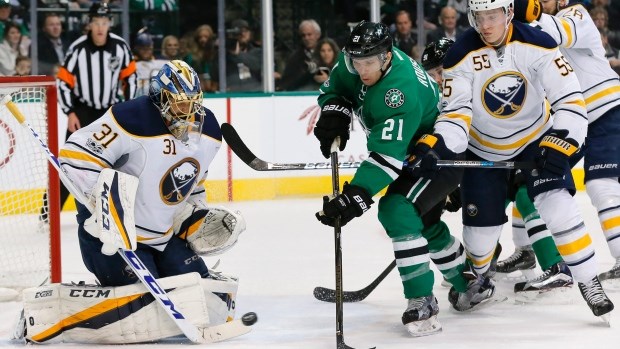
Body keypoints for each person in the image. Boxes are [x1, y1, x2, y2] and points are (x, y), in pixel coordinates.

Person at [18, 60, 246, 343]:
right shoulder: (132, 118)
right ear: (161, 99)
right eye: (179, 104)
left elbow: (194, 184)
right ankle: (59, 309)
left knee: (197, 287)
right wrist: (104, 209)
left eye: (192, 103)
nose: (187, 113)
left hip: (163, 236)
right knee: (139, 300)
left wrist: (196, 219)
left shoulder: (208, 132)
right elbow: (76, 157)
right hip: (113, 238)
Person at [419, 0, 613, 318]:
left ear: (508, 13)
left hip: (535, 141)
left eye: (492, 16)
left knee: (557, 204)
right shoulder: (459, 55)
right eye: (479, 17)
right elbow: (455, 113)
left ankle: (589, 281)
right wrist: (439, 147)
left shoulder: (537, 43)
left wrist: (560, 143)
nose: (485, 25)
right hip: (483, 150)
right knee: (479, 244)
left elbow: (569, 98)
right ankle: (479, 275)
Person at [313, 21, 499, 337]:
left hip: (438, 152)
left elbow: (386, 158)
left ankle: (422, 299)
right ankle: (469, 283)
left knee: (396, 210)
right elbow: (336, 89)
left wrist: (355, 196)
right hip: (412, 150)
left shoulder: (397, 92)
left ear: (386, 56)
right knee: (421, 221)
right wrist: (335, 112)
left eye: (369, 63)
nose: (362, 70)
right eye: (357, 62)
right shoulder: (354, 61)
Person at [422, 38, 571, 297]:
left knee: (527, 198)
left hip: (525, 149)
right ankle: (486, 263)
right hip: (488, 163)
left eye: (441, 71)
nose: (438, 78)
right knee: (482, 215)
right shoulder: (442, 99)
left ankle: (556, 265)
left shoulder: (479, 77)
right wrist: (454, 183)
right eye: (433, 73)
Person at [513, 0, 620, 287]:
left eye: (542, 0)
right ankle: (527, 251)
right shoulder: (526, 34)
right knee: (531, 177)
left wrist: (521, 13)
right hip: (569, 121)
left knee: (601, 185)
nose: (537, 3)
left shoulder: (576, 13)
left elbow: (557, 33)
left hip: (605, 110)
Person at [53, 2, 137, 213]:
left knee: (118, 162)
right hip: (82, 112)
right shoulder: (78, 48)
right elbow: (63, 82)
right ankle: (49, 213)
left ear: (109, 23)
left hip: (109, 113)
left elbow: (131, 79)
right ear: (89, 24)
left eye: (104, 22)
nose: (100, 27)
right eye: (96, 22)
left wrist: (127, 109)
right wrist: (70, 111)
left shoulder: (120, 47)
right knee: (69, 163)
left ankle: (116, 209)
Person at [278, 19, 321, 91]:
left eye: (309, 34)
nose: (306, 38)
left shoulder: (327, 52)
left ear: (318, 35)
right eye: (303, 36)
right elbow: (287, 82)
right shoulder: (295, 58)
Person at [133, 32, 167, 97]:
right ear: (137, 48)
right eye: (142, 48)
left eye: (148, 47)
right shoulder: (131, 63)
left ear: (152, 47)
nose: (146, 50)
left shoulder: (161, 61)